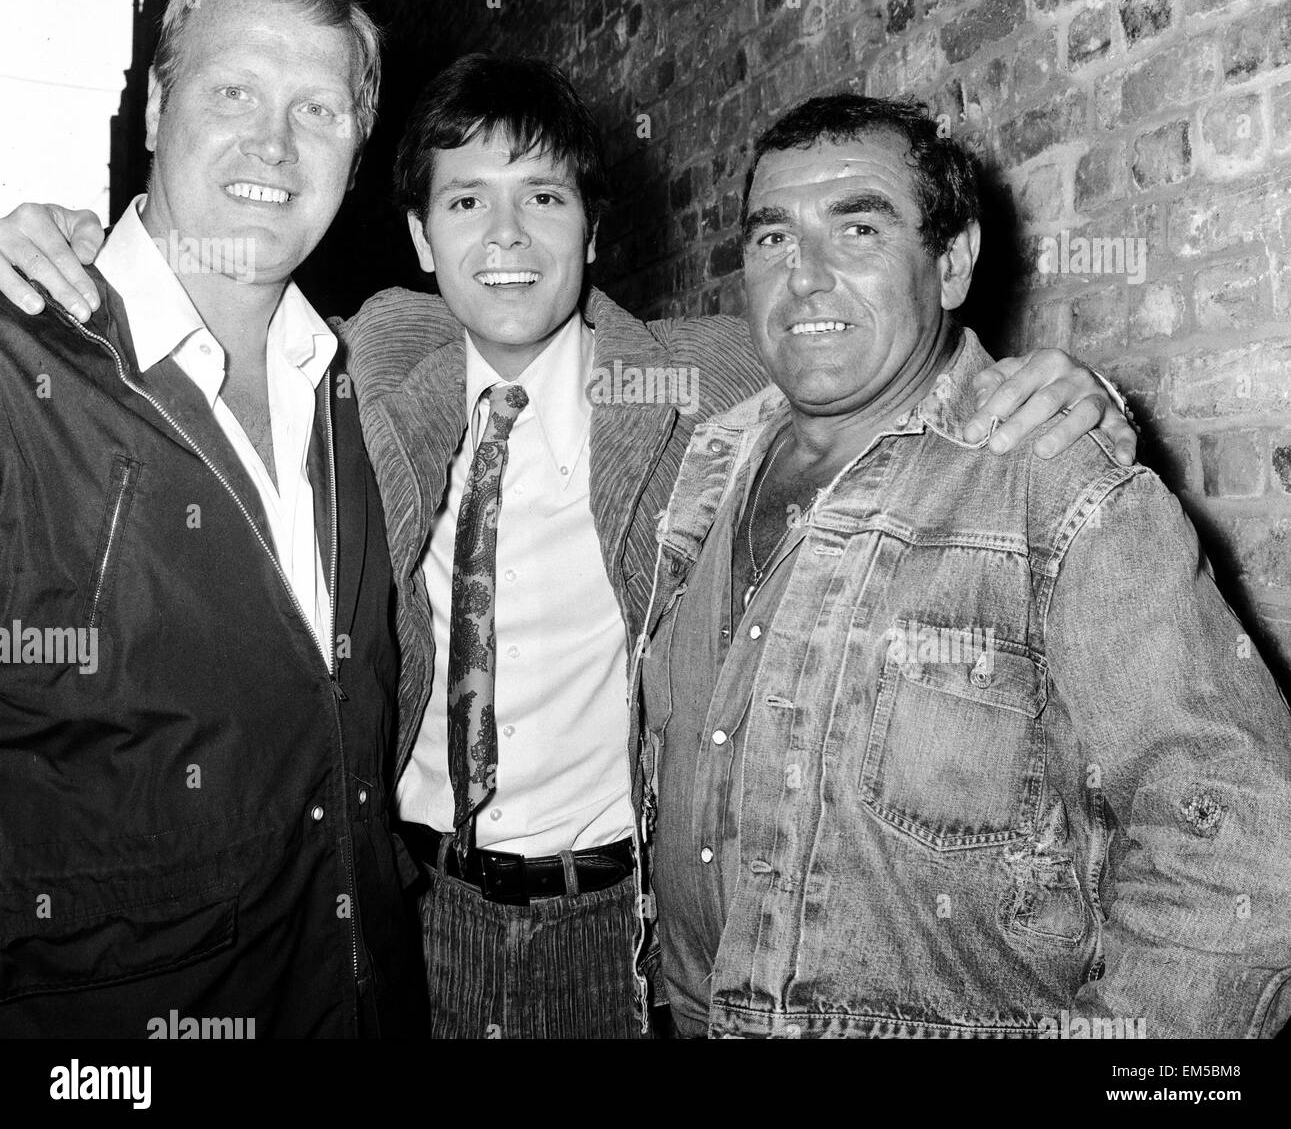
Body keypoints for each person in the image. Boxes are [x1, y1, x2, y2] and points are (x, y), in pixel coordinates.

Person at [0, 57, 1138, 1039]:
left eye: (542, 197)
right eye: (464, 202)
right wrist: (52, 249)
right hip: (411, 913)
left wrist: (1072, 396)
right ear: (415, 236)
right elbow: (194, 318)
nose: (504, 239)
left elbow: (888, 362)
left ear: (592, 229)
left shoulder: (702, 380)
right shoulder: (344, 368)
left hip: (619, 929)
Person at [642, 93, 1291, 1039]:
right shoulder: (709, 459)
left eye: (857, 228)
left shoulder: (1050, 478)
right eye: (771, 239)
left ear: (950, 264)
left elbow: (1247, 849)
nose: (805, 278)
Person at [0, 0, 427, 1037]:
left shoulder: (347, 385)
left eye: (317, 109)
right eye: (232, 90)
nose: (273, 145)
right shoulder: (19, 371)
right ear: (152, 106)